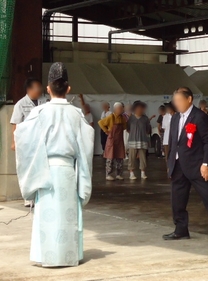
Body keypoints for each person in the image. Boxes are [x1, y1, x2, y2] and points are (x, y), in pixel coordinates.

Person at [14, 62, 94, 267]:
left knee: (46, 215)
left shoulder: (39, 113)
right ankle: (69, 255)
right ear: (68, 89)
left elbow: (21, 136)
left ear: (48, 89)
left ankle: (45, 256)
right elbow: (86, 143)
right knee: (69, 214)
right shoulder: (76, 114)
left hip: (46, 170)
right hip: (67, 170)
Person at [163, 87, 208, 241]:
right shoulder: (175, 118)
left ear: (189, 99)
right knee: (177, 200)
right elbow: (173, 142)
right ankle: (180, 229)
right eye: (175, 101)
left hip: (197, 165)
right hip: (178, 165)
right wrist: (170, 162)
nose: (176, 104)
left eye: (179, 100)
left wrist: (206, 164)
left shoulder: (199, 117)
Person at [10, 77, 47, 207]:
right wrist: (14, 142)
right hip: (27, 142)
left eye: (41, 88)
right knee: (28, 170)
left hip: (41, 141)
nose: (40, 90)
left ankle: (39, 196)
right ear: (29, 89)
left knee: (41, 169)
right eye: (37, 88)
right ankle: (28, 197)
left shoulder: (45, 101)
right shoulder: (20, 104)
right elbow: (16, 124)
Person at [98, 102, 127, 181]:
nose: (121, 110)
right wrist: (106, 131)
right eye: (119, 109)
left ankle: (119, 174)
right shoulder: (111, 117)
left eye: (122, 108)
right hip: (111, 140)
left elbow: (124, 127)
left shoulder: (122, 118)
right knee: (110, 158)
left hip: (119, 141)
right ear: (115, 109)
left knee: (120, 158)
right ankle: (108, 174)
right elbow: (100, 122)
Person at [127, 101, 151, 180]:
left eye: (141, 108)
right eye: (138, 108)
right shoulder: (131, 118)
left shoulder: (145, 119)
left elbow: (148, 129)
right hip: (132, 140)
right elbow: (128, 129)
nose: (140, 110)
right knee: (131, 157)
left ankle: (143, 172)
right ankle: (131, 173)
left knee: (143, 157)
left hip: (142, 140)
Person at [162, 102, 176, 166]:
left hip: (175, 139)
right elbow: (164, 128)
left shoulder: (177, 115)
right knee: (167, 154)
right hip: (167, 138)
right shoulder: (165, 117)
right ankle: (168, 167)